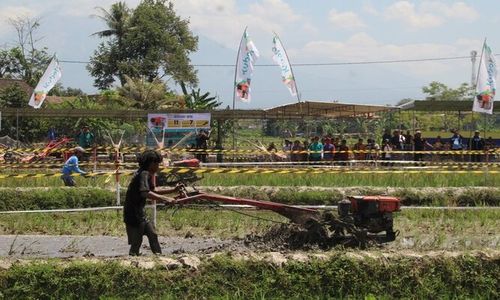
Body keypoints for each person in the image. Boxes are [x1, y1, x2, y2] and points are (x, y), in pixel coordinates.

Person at [123, 150, 181, 256]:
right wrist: (165, 199)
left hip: (140, 212)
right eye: (157, 164)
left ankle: (159, 257)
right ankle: (133, 260)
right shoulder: (143, 174)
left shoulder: (146, 173)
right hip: (133, 213)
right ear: (151, 164)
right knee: (137, 241)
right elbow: (145, 193)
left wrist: (173, 190)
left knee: (153, 234)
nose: (158, 167)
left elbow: (153, 191)